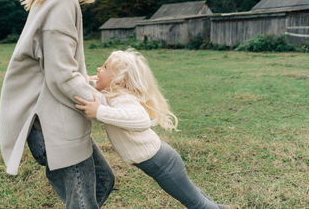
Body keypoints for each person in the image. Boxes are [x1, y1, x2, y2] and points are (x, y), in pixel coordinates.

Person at [0, 0, 114, 208]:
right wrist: (105, 106)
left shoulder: (47, 1)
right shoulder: (62, 1)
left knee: (103, 181)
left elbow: (53, 68)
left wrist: (88, 83)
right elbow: (61, 77)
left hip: (54, 121)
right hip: (51, 127)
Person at [75, 49, 229, 209]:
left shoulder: (124, 99)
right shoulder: (114, 94)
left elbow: (141, 120)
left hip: (163, 164)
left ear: (119, 81)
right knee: (194, 196)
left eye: (105, 67)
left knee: (195, 203)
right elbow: (93, 86)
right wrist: (86, 82)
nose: (99, 69)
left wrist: (100, 111)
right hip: (162, 160)